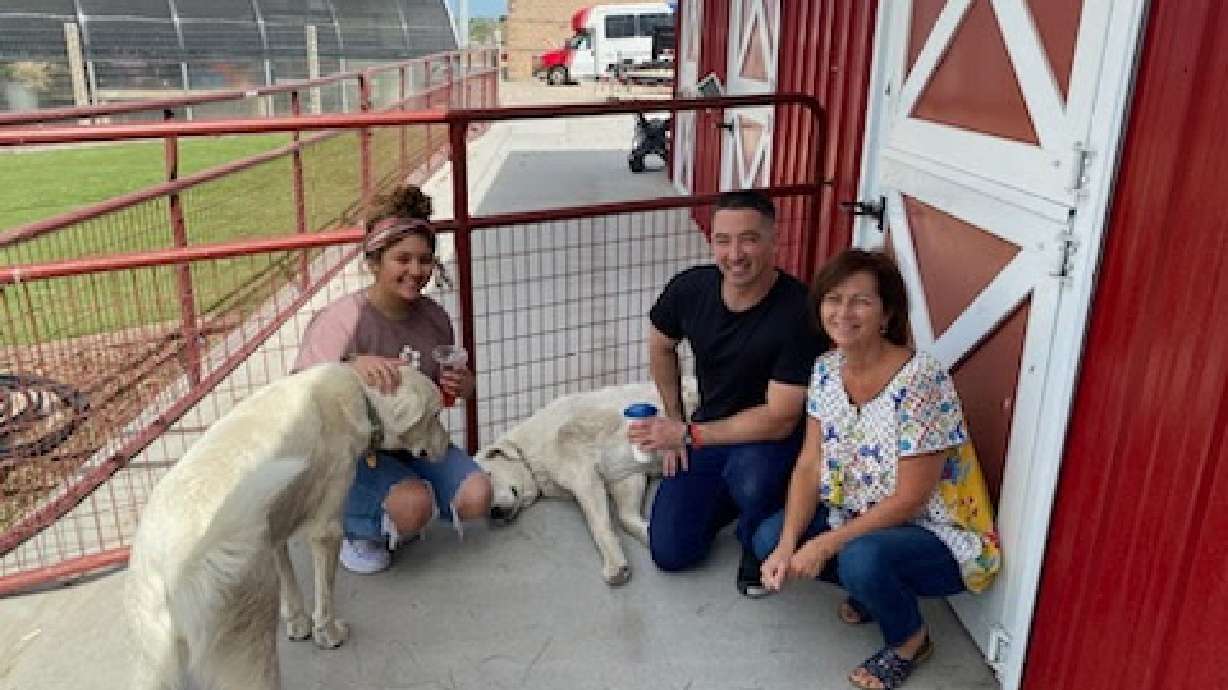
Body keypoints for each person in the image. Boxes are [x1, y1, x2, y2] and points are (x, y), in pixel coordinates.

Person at [752, 249, 1001, 689]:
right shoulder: (826, 370)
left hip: (935, 532)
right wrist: (789, 545)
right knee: (768, 537)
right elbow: (809, 465)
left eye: (860, 301)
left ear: (886, 314)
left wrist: (824, 545)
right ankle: (870, 588)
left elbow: (910, 500)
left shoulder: (920, 378)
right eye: (833, 299)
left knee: (861, 557)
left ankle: (909, 639)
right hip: (854, 517)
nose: (843, 312)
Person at [627, 190, 822, 597]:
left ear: (773, 241)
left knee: (752, 479)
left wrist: (688, 435)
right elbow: (660, 344)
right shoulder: (690, 288)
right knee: (671, 553)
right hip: (710, 431)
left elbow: (780, 417)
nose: (735, 253)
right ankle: (735, 500)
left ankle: (759, 537)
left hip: (773, 443)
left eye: (749, 239)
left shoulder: (799, 311)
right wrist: (676, 417)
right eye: (723, 240)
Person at [293, 184, 493, 574]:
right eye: (401, 259)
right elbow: (300, 396)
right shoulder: (342, 320)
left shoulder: (434, 318)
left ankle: (404, 500)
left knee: (477, 495)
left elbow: (437, 396)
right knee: (412, 506)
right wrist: (349, 367)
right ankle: (356, 528)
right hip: (351, 454)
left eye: (424, 260)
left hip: (410, 441)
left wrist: (463, 388)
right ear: (374, 262)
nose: (415, 271)